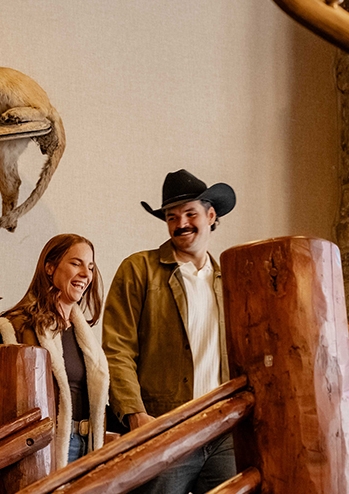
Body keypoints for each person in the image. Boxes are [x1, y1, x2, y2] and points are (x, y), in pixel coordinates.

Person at [102, 169, 237, 493]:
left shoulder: (233, 281)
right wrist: (135, 414)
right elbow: (117, 349)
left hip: (225, 430)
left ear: (211, 215)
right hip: (163, 426)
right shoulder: (138, 270)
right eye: (171, 216)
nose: (181, 224)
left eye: (190, 213)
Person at [0, 234, 109, 469]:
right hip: (42, 448)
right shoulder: (16, 326)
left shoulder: (84, 335)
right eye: (76, 263)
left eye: (90, 267)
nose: (86, 274)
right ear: (50, 267)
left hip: (87, 448)